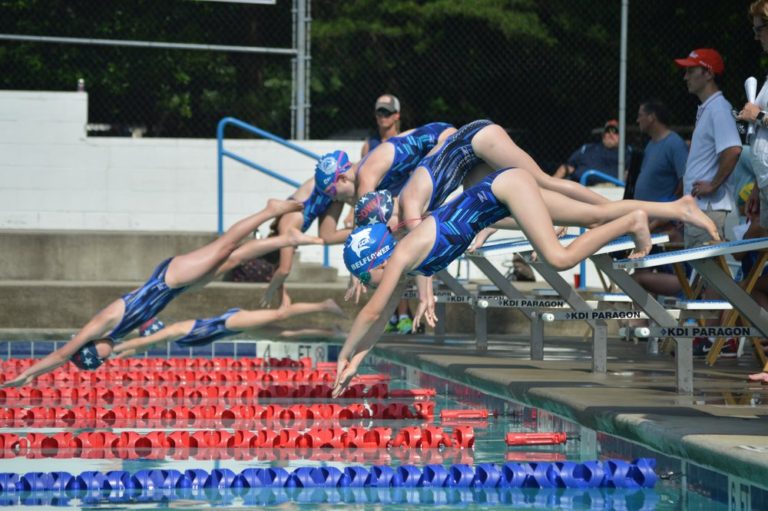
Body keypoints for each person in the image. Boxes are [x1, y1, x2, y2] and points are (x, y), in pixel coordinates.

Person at [331, 160, 721, 397]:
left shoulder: (401, 255)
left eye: (366, 277)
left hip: (505, 190)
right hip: (502, 194)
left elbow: (371, 313)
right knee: (594, 215)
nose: (370, 284)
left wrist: (343, 352)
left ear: (376, 260)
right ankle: (680, 207)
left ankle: (632, 222)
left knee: (559, 257)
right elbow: (379, 321)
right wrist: (356, 362)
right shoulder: (400, 261)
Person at [1, 199, 323, 387]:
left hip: (169, 278)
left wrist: (28, 374)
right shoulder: (113, 336)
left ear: (90, 347)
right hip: (177, 289)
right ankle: (287, 239)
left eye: (101, 356)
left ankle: (270, 210)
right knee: (233, 258)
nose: (108, 355)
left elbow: (61, 355)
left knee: (226, 246)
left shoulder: (99, 325)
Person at [260, 151, 353, 308]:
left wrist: (269, 291)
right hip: (327, 198)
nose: (294, 251)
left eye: (291, 252)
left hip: (328, 184)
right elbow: (280, 270)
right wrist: (283, 296)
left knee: (355, 185)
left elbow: (284, 270)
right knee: (327, 237)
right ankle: (368, 229)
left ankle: (371, 226)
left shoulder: (286, 227)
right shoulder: (285, 227)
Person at [113, 296, 345, 358]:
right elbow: (140, 347)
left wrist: (110, 348)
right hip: (234, 328)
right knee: (283, 335)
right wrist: (114, 357)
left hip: (231, 321)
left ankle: (324, 305)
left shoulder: (173, 331)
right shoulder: (167, 337)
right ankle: (332, 333)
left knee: (280, 314)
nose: (152, 345)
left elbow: (141, 343)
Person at [674, 48, 742, 248]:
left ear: (709, 73)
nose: (685, 77)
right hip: (700, 208)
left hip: (708, 208)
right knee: (700, 268)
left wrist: (712, 185)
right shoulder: (710, 108)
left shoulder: (719, 109)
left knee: (705, 268)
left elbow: (733, 150)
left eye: (691, 71)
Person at [554, 120, 630, 184]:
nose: (611, 134)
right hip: (579, 187)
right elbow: (567, 167)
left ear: (622, 136)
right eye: (608, 131)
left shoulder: (627, 152)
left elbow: (628, 176)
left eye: (615, 132)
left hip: (612, 190)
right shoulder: (587, 148)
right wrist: (552, 184)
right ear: (603, 134)